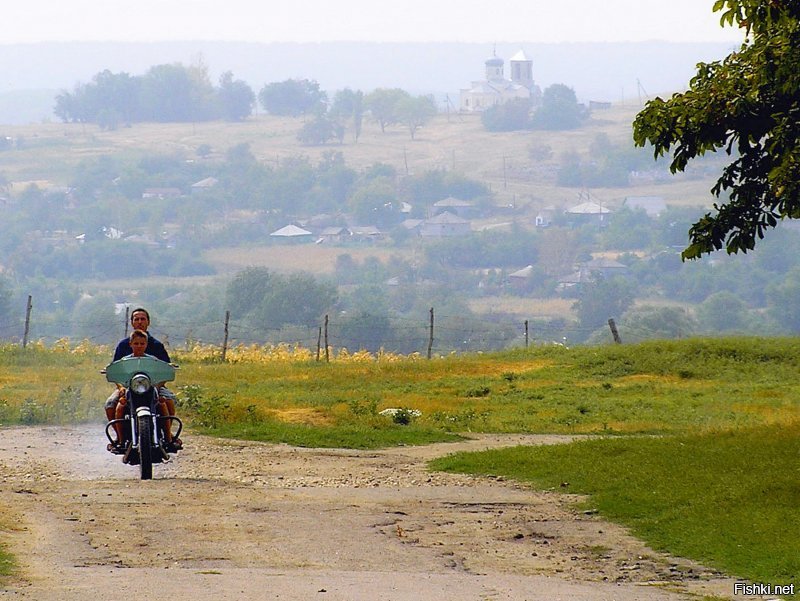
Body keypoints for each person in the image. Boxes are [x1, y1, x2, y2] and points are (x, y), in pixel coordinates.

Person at [105, 308, 181, 452]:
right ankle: (119, 437)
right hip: (128, 387)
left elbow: (165, 368)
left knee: (168, 400)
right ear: (132, 322)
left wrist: (158, 386)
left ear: (148, 322)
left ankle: (168, 435)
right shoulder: (123, 345)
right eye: (136, 319)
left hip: (153, 386)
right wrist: (120, 387)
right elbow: (115, 370)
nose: (139, 322)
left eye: (143, 319)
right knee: (110, 404)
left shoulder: (156, 345)